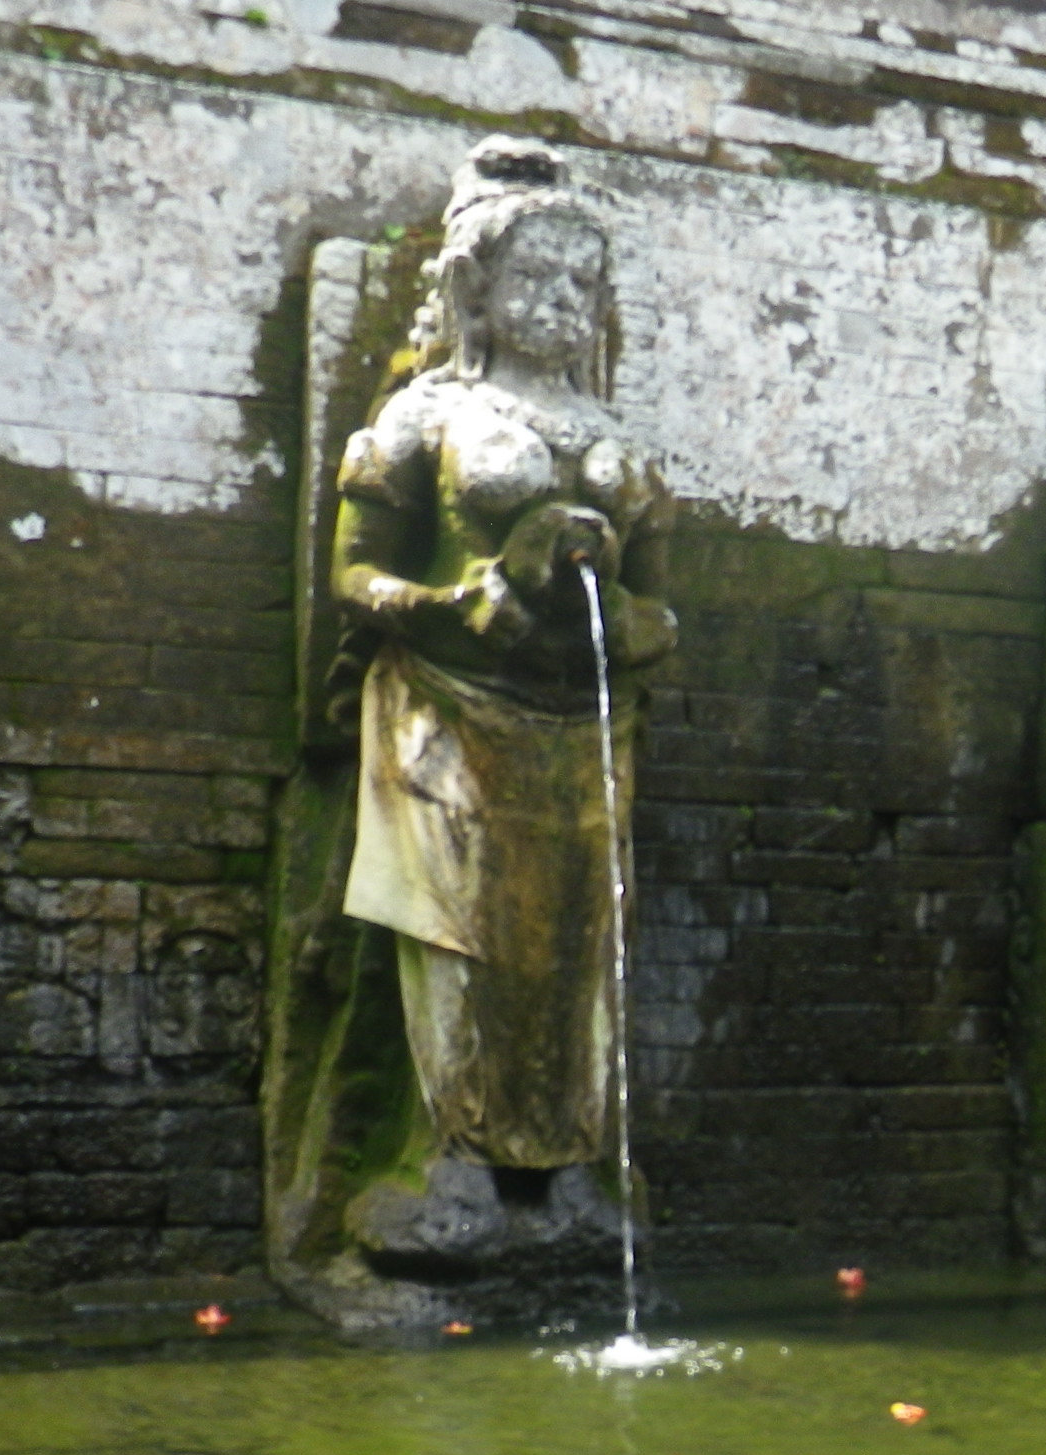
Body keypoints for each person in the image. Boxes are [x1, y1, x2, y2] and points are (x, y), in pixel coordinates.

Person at [330, 136, 675, 1212]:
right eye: (537, 272)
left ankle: (567, 1158)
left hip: (580, 729)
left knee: (575, 944)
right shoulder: (426, 414)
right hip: (449, 711)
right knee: (458, 931)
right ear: (475, 286)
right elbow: (351, 575)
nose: (562, 297)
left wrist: (637, 626)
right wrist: (447, 608)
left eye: (583, 279)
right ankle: (452, 1156)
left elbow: (660, 606)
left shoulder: (618, 440)